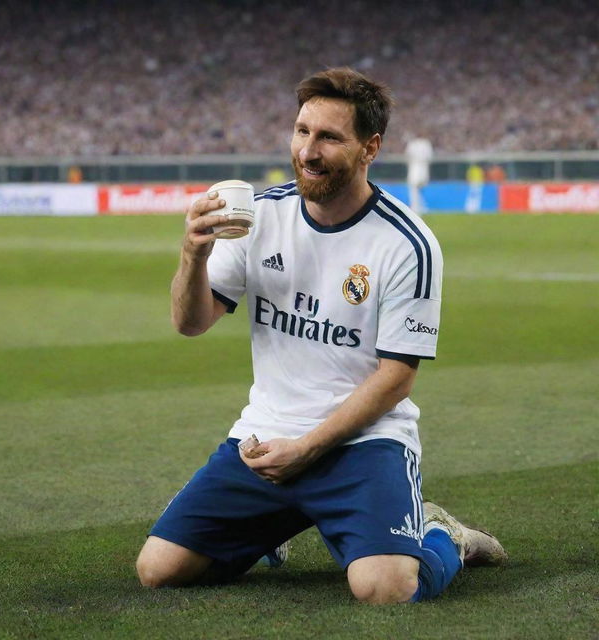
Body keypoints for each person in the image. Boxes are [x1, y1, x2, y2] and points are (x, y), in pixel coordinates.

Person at [136, 67, 507, 604]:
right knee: (158, 570)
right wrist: (193, 255)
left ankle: (445, 535)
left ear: (369, 147)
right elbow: (190, 323)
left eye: (330, 137)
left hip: (363, 443)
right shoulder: (259, 216)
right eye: (302, 131)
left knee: (385, 590)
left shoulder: (407, 244)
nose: (308, 151)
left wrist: (308, 449)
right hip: (265, 437)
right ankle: (267, 530)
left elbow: (397, 378)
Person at [405, 135, 433, 214]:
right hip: (423, 169)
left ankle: (416, 208)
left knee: (413, 190)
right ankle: (420, 208)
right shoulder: (426, 144)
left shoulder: (413, 144)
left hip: (415, 168)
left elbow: (408, 156)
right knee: (419, 190)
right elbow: (429, 157)